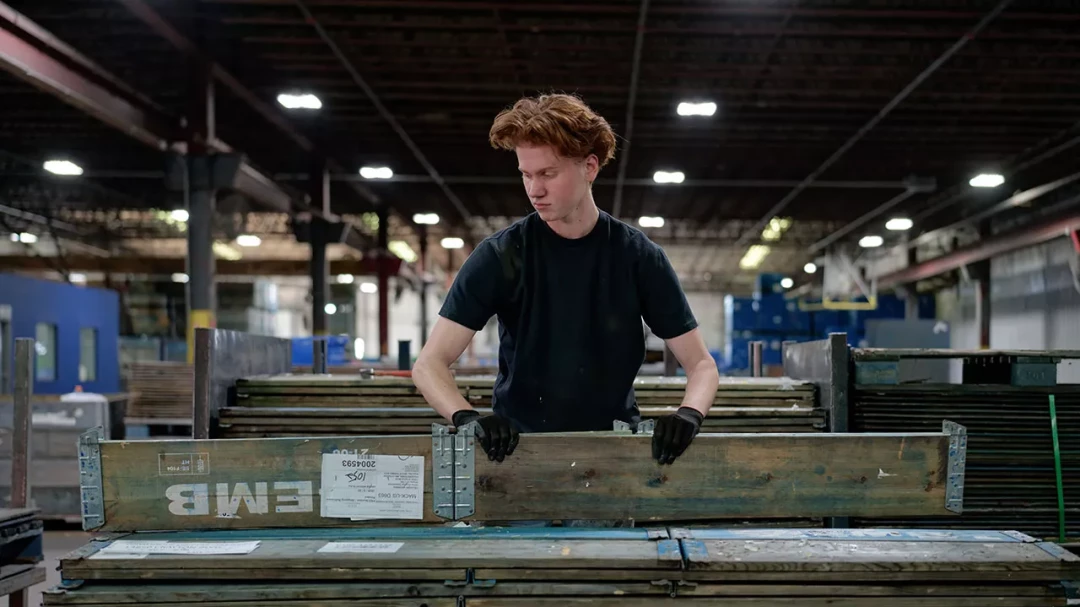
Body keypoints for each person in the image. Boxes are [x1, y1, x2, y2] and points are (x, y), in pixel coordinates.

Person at [413, 93, 720, 466]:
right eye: (526, 174)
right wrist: (466, 417)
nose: (534, 190)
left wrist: (689, 414)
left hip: (615, 454)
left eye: (548, 173)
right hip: (517, 454)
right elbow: (430, 363)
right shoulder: (501, 256)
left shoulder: (637, 257)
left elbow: (701, 365)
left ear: (589, 167)